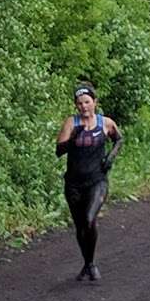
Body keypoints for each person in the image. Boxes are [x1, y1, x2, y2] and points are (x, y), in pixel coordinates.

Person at [55, 85, 123, 281]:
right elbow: (59, 151)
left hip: (97, 180)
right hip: (74, 183)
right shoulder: (71, 123)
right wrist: (72, 138)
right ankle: (88, 263)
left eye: (87, 102)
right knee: (79, 225)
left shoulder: (105, 122)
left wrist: (110, 157)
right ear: (76, 105)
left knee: (89, 218)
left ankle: (91, 264)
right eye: (79, 103)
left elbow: (119, 139)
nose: (84, 107)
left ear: (95, 102)